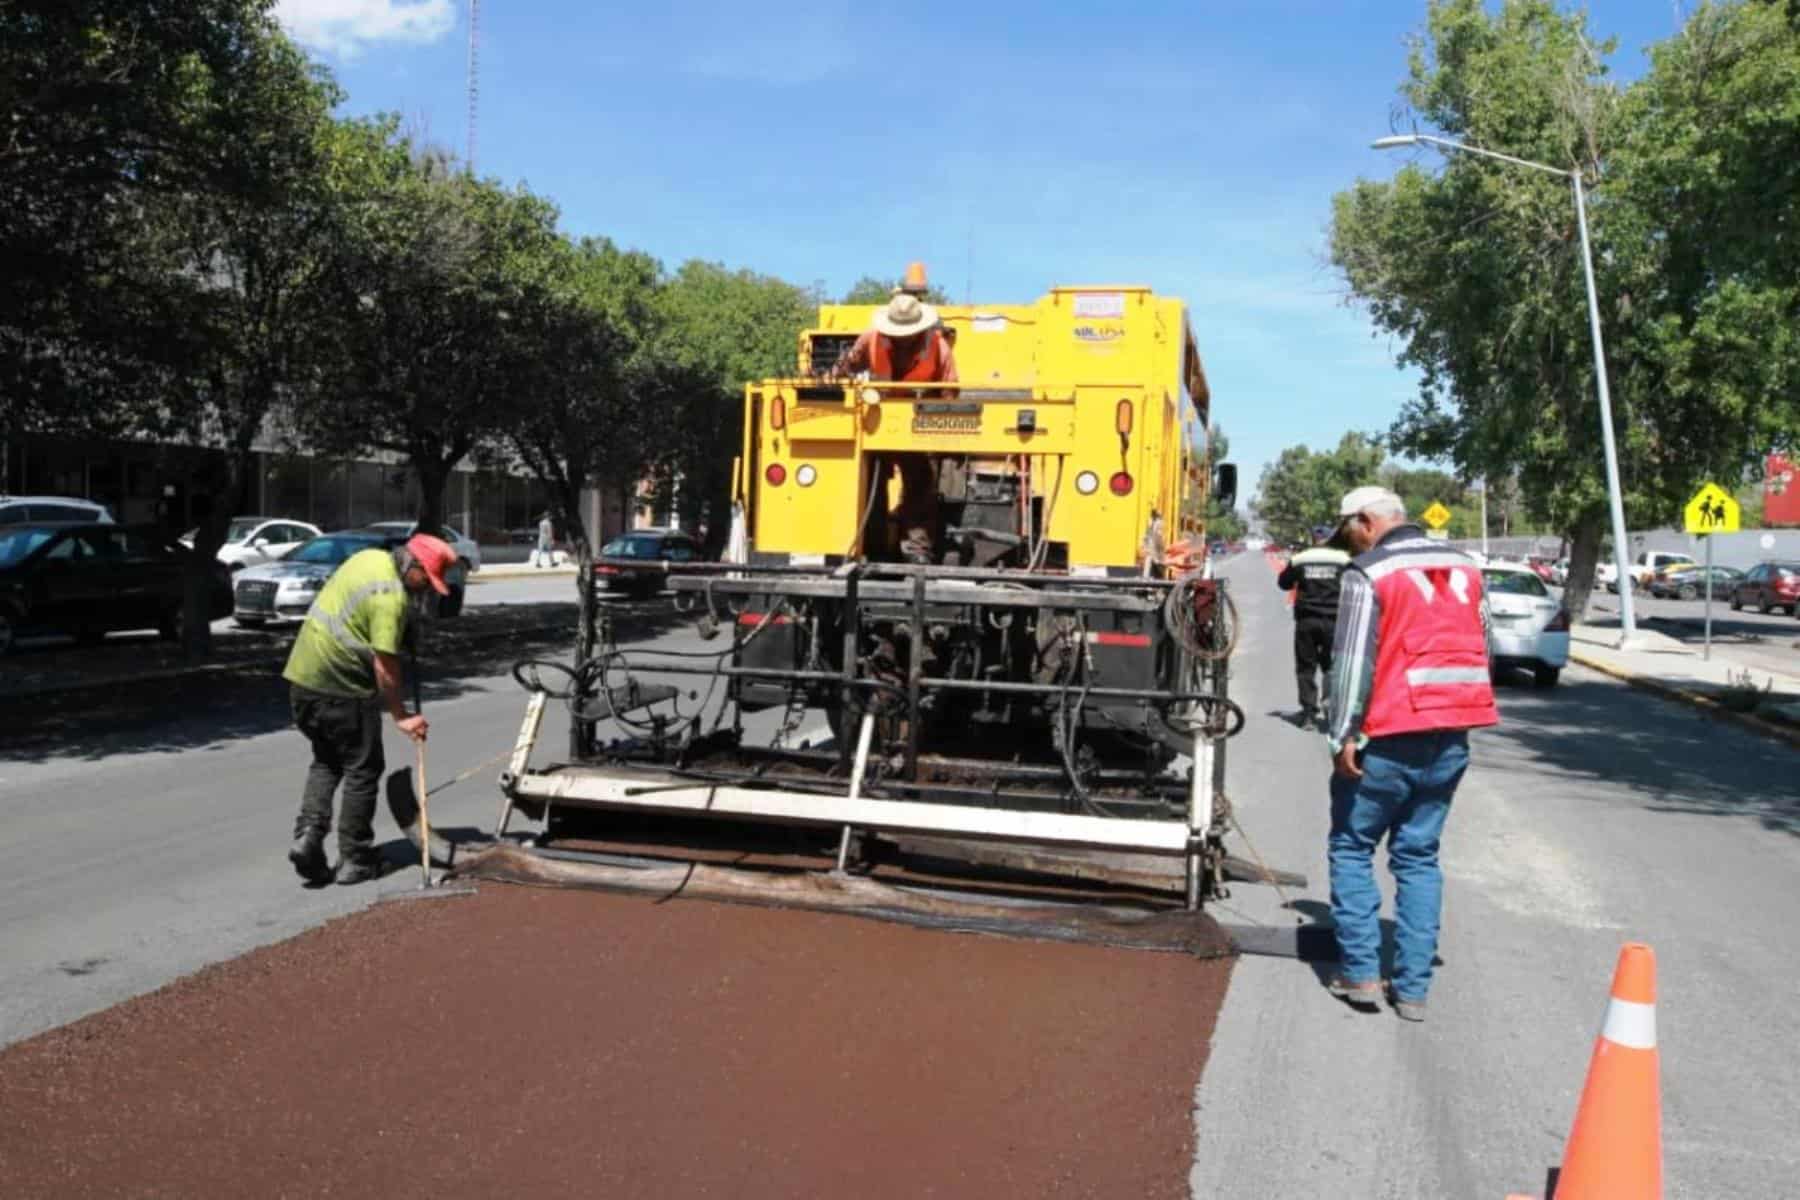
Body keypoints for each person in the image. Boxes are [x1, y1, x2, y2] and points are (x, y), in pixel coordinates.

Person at [1323, 487, 1497, 1022]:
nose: (1348, 539)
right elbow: (1483, 643)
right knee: (1418, 856)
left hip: (1386, 735)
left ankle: (1361, 974)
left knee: (1352, 846)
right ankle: (1414, 989)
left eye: (1349, 528)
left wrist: (1342, 734)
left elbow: (1351, 659)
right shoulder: (1466, 567)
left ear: (1368, 521)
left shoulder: (1368, 572)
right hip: (1451, 734)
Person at [283, 533, 456, 886]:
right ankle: (355, 859)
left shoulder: (369, 559)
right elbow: (386, 670)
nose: (425, 590)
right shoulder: (390, 601)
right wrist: (402, 717)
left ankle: (309, 835)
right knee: (364, 768)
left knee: (328, 759)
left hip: (301, 682)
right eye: (426, 581)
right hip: (341, 689)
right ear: (414, 565)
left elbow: (354, 615)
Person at [1276, 525, 1350, 728]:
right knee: (1333, 667)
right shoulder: (1344, 560)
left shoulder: (1301, 559)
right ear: (1329, 538)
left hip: (1307, 621)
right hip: (1335, 621)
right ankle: (1332, 710)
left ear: (1312, 538)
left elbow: (1283, 583)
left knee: (1305, 668)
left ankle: (1308, 713)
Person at [832, 292, 959, 385]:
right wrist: (837, 372)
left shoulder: (938, 344)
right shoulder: (870, 338)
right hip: (877, 410)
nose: (904, 337)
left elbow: (950, 386)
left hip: (922, 414)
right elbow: (848, 364)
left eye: (909, 332)